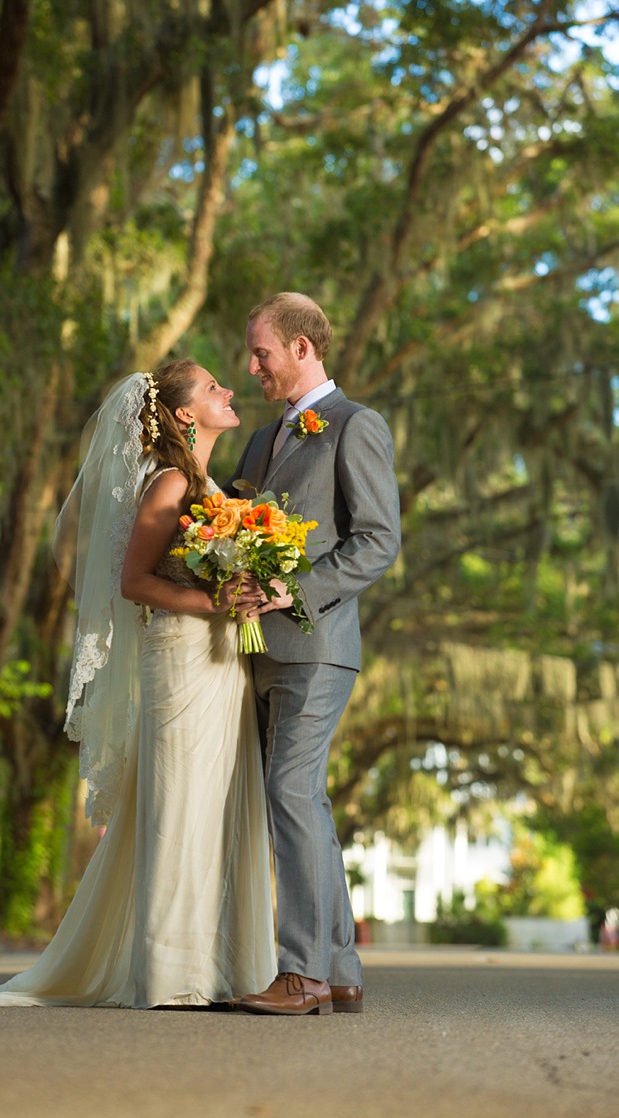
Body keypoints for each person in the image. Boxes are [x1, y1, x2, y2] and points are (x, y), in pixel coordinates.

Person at [0, 360, 275, 1009]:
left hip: (223, 661)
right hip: (182, 658)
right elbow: (133, 583)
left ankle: (224, 967)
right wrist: (216, 606)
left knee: (216, 805)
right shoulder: (169, 481)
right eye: (213, 386)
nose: (229, 389)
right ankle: (171, 976)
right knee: (178, 805)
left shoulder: (210, 485)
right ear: (188, 414)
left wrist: (252, 589)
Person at [226, 292, 401, 1015]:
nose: (252, 365)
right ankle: (340, 968)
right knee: (308, 803)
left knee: (290, 793)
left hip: (318, 644)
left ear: (303, 349)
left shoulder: (357, 427)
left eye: (262, 352)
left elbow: (378, 541)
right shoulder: (262, 441)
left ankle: (301, 973)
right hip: (258, 651)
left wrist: (290, 591)